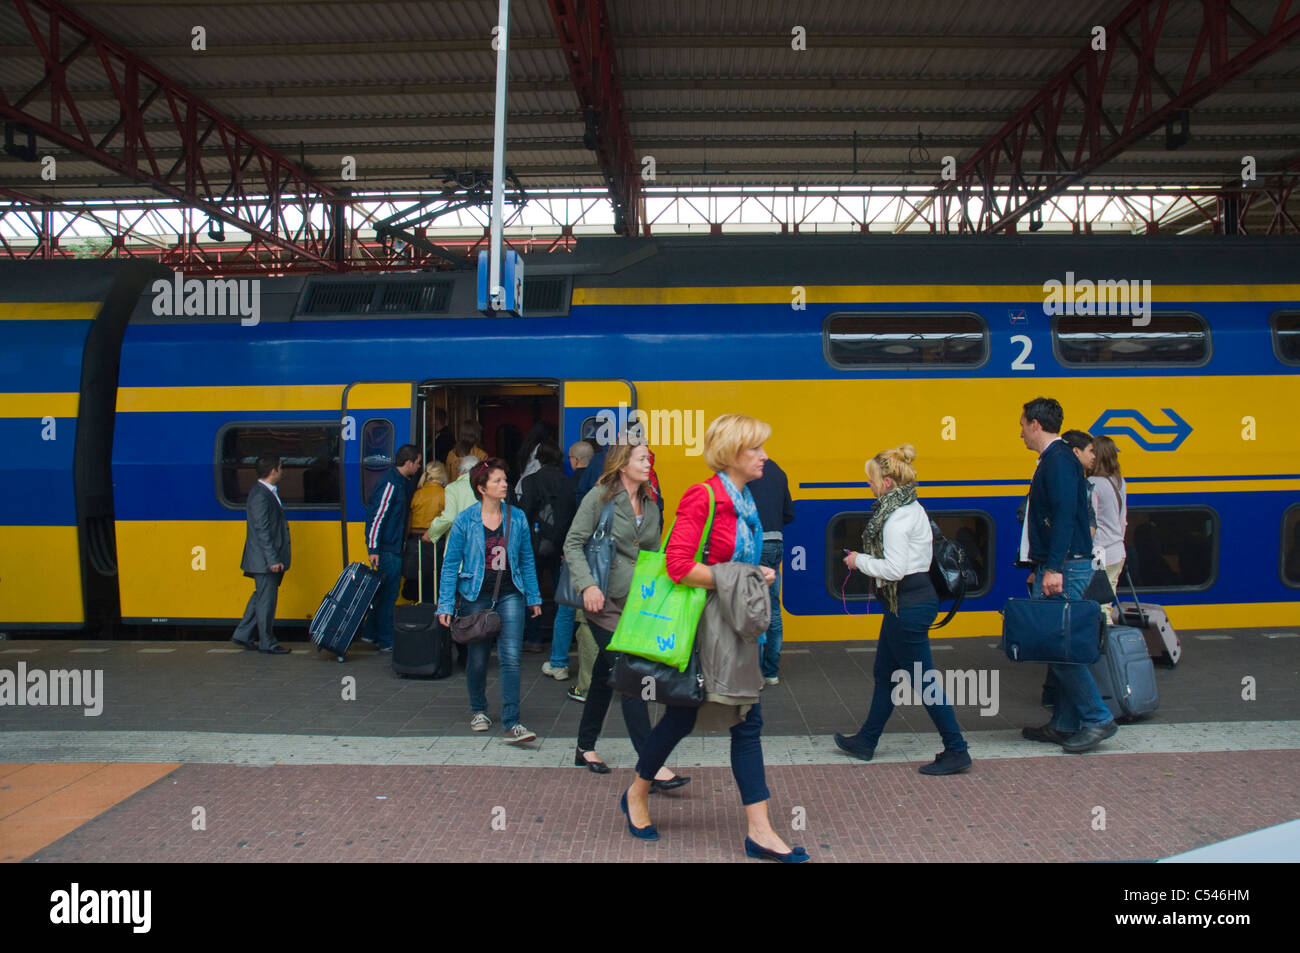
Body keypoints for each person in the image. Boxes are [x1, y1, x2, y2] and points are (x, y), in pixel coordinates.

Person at [622, 414, 807, 862]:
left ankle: (759, 831)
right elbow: (678, 566)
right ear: (731, 454)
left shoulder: (744, 499)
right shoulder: (703, 497)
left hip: (735, 633)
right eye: (756, 449)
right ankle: (637, 792)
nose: (765, 456)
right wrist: (744, 575)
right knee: (681, 717)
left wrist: (752, 575)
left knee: (747, 722)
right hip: (704, 633)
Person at [834, 446, 971, 775]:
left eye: (872, 480)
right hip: (908, 603)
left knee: (924, 681)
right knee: (886, 674)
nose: (869, 485)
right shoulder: (912, 506)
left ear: (888, 482)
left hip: (907, 605)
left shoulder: (896, 518)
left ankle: (957, 749)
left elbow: (894, 569)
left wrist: (858, 561)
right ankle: (866, 741)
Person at [566, 443, 688, 791]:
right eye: (641, 459)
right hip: (601, 602)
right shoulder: (600, 497)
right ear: (622, 466)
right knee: (631, 675)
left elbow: (652, 552)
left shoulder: (651, 503)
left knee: (607, 676)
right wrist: (587, 586)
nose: (648, 463)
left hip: (636, 603)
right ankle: (651, 765)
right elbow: (572, 543)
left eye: (648, 459)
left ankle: (584, 746)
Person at [1016, 397, 1118, 754]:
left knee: (1058, 645)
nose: (1021, 432)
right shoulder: (1056, 459)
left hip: (1066, 565)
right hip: (1057, 563)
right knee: (1056, 643)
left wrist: (1054, 568)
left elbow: (1062, 516)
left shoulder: (1058, 461)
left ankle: (1097, 718)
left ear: (1035, 424)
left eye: (1022, 424)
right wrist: (1037, 565)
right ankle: (1063, 724)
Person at [437, 458, 543, 744]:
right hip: (474, 595)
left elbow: (526, 560)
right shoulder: (465, 520)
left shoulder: (517, 517)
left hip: (511, 593)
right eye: (497, 481)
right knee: (479, 658)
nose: (504, 484)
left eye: (505, 479)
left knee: (511, 657)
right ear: (481, 488)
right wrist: (445, 604)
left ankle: (512, 721)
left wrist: (533, 597)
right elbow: (450, 564)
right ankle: (479, 710)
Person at [362, 444, 422, 652]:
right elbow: (377, 518)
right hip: (388, 548)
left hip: (391, 546)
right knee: (389, 595)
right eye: (417, 462)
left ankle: (370, 633)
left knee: (383, 593)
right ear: (408, 463)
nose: (419, 466)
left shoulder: (398, 482)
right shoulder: (391, 484)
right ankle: (386, 640)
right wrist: (373, 548)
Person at [232, 454, 292, 654]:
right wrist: (273, 559)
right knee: (267, 600)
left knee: (260, 597)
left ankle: (242, 634)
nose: (282, 471)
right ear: (273, 470)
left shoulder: (265, 492)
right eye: (281, 467)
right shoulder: (260, 495)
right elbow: (262, 531)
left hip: (264, 558)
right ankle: (268, 643)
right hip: (265, 560)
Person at [520, 441, 575, 657]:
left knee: (533, 592)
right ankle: (563, 639)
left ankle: (533, 638)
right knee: (563, 595)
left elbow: (524, 512)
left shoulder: (531, 481)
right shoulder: (567, 482)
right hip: (560, 545)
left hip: (535, 545)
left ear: (539, 459)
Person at [746, 457, 794, 685]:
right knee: (773, 607)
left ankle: (752, 671)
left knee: (752, 606)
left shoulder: (744, 469)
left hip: (754, 541)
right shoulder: (778, 471)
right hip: (776, 541)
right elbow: (789, 514)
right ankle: (771, 671)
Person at [558, 440, 596, 693]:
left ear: (574, 460)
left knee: (566, 608)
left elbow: (567, 527)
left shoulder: (572, 486)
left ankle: (559, 662)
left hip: (579, 558)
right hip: (594, 562)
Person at [1089, 434, 1128, 598]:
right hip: (1118, 551)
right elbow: (1123, 520)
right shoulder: (1119, 481)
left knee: (1099, 603)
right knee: (1107, 598)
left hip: (1100, 553)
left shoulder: (1093, 483)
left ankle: (1105, 625)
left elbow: (1091, 521)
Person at [405, 461, 447, 599]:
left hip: (415, 540)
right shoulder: (444, 494)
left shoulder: (417, 493)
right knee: (433, 579)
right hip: (434, 539)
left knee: (417, 579)